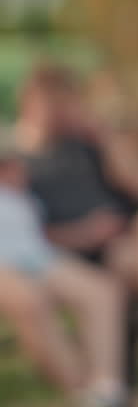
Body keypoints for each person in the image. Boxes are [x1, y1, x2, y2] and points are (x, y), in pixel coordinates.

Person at [13, 64, 138, 404]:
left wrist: (102, 135)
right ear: (30, 103)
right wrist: (82, 233)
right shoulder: (16, 161)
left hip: (118, 250)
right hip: (69, 258)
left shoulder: (86, 143)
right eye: (51, 103)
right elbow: (24, 237)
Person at [0, 129, 127, 407]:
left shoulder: (24, 197)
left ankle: (106, 387)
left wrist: (87, 233)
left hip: (40, 258)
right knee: (30, 301)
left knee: (102, 292)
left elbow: (43, 236)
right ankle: (81, 391)